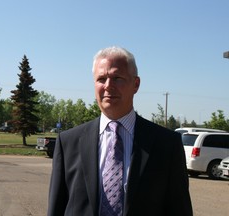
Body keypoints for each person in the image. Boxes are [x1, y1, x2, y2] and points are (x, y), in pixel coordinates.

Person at [47, 46, 193, 216]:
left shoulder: (167, 144)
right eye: (101, 79)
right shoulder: (68, 142)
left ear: (136, 84)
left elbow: (179, 209)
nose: (108, 86)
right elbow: (56, 207)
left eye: (117, 78)